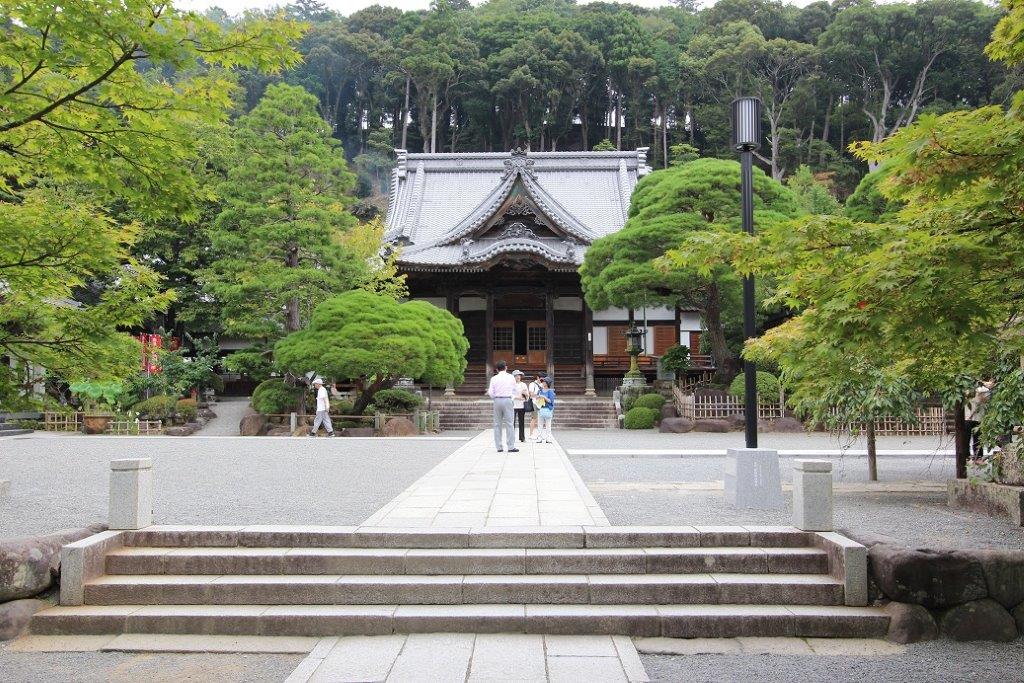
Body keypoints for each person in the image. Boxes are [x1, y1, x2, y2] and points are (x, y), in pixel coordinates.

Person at [487, 360, 518, 453]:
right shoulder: (511, 377)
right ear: (506, 368)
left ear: (497, 369)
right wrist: (512, 398)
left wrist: (495, 398)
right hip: (508, 399)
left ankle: (499, 447)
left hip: (497, 400)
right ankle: (510, 446)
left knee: (497, 424)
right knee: (510, 423)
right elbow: (515, 390)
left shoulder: (494, 378)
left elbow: (490, 392)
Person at [965, 379, 994, 460]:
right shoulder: (982, 390)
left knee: (972, 439)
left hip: (973, 418)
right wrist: (986, 384)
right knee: (975, 439)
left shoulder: (981, 390)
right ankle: (977, 455)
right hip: (973, 418)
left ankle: (970, 455)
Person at [535, 376, 556, 443]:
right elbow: (536, 398)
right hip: (540, 409)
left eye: (544, 381)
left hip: (548, 409)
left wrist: (544, 397)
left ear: (547, 383)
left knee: (548, 425)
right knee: (540, 425)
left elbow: (550, 401)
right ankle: (539, 438)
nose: (543, 382)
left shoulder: (550, 391)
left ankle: (548, 438)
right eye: (543, 381)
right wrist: (538, 397)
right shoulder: (540, 391)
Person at [512, 370, 529, 443]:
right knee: (512, 423)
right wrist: (518, 398)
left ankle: (522, 438)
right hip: (513, 406)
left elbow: (527, 396)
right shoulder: (511, 385)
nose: (518, 377)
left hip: (522, 406)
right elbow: (510, 395)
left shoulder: (523, 384)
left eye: (519, 375)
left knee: (521, 422)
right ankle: (511, 438)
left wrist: (526, 394)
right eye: (516, 376)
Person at [527, 373, 542, 441]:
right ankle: (531, 434)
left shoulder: (542, 384)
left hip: (541, 403)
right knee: (534, 419)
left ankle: (539, 434)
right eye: (541, 378)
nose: (542, 380)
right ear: (538, 377)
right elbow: (531, 394)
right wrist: (539, 396)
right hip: (534, 403)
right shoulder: (532, 384)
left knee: (540, 419)